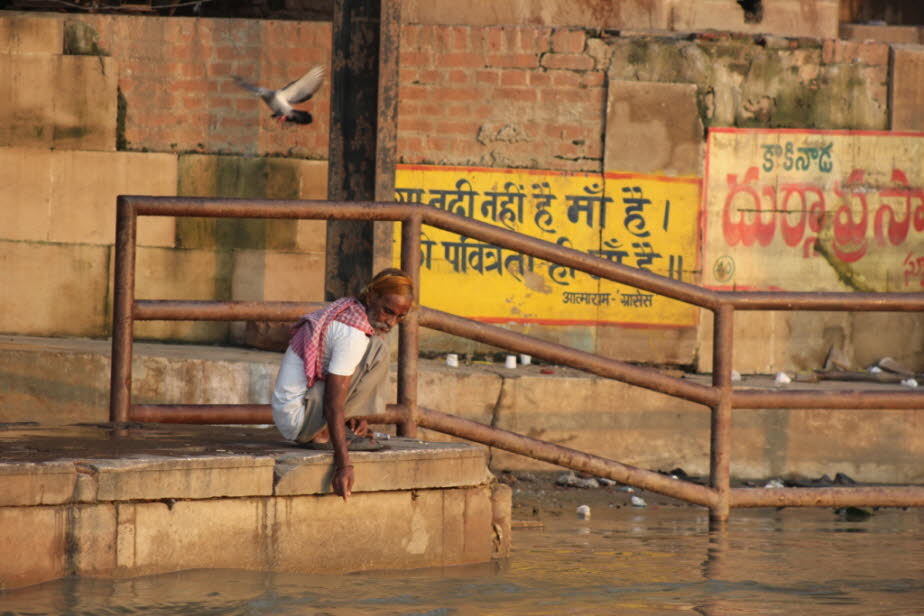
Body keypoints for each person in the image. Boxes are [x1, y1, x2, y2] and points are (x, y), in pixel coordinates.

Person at [271, 268, 414, 500]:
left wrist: (351, 413)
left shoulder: (349, 310)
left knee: (377, 348)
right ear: (371, 297)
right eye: (388, 311)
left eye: (400, 317)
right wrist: (343, 464)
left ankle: (342, 423)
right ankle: (323, 434)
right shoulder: (352, 335)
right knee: (377, 351)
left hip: (296, 413)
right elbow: (332, 403)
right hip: (299, 421)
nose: (391, 322)